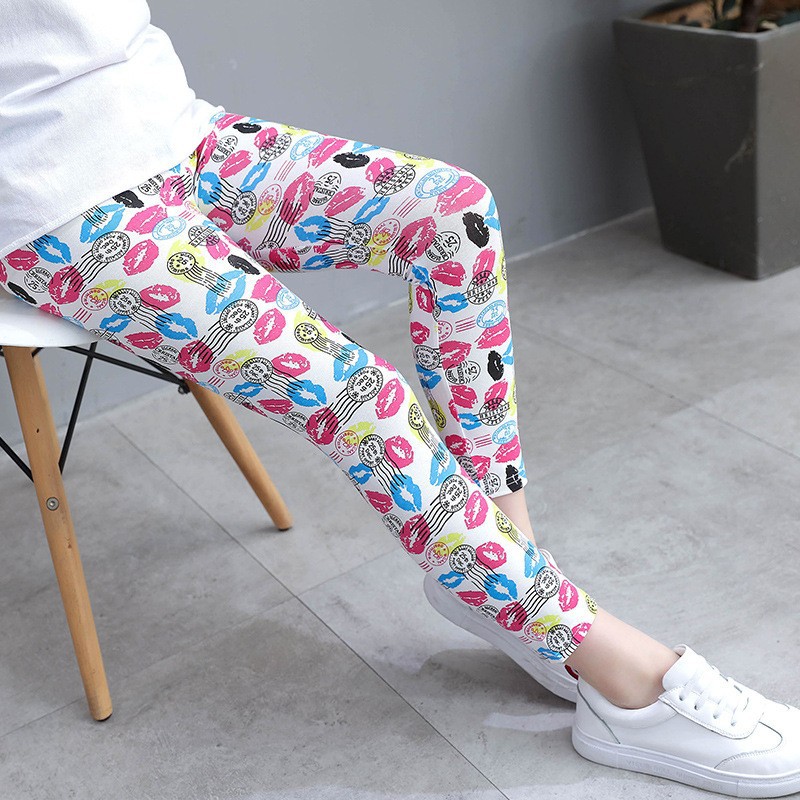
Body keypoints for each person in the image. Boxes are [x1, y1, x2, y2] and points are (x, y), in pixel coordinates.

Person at [1, 2, 798, 796]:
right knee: (361, 399)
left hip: (167, 126)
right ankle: (628, 683)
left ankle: (505, 577)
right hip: (54, 200)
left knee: (453, 216)